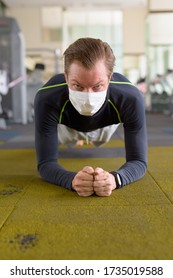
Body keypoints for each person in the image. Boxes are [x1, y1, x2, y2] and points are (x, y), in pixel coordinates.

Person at [34, 38, 148, 197]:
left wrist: (116, 179)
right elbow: (46, 163)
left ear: (109, 78)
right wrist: (72, 180)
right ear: (66, 77)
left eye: (97, 86)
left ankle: (88, 137)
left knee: (98, 141)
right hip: (67, 127)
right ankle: (78, 138)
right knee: (69, 141)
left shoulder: (130, 97)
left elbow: (139, 161)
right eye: (78, 85)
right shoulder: (47, 98)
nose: (88, 96)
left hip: (105, 126)